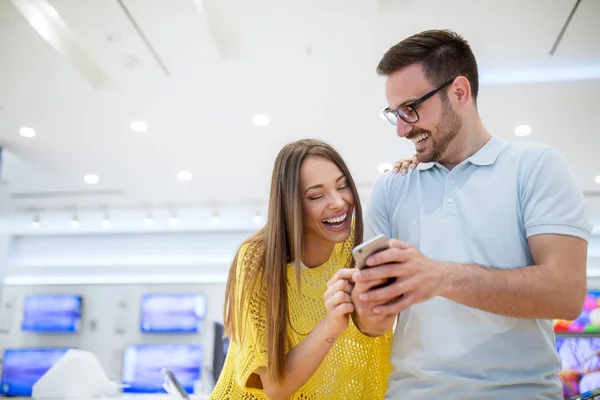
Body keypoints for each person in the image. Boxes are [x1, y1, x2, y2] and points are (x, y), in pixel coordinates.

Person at [351, 29, 594, 399]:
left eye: (411, 109)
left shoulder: (536, 167)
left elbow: (565, 294)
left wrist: (441, 277)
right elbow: (374, 324)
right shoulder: (391, 187)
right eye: (394, 114)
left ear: (459, 92)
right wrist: (363, 306)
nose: (401, 128)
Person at [210, 139, 400, 400]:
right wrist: (331, 324)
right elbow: (276, 388)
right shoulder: (257, 259)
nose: (338, 202)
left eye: (343, 186)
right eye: (316, 196)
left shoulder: (358, 247)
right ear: (291, 205)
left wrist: (412, 176)